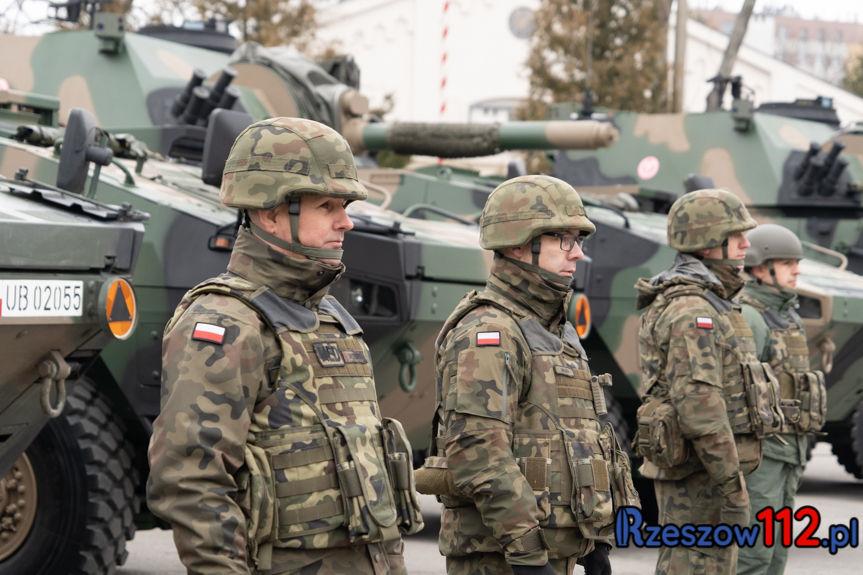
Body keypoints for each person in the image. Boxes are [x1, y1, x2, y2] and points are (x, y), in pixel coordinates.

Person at [147, 117, 422, 575]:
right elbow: (190, 483)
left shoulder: (332, 319)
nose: (346, 221)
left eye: (345, 205)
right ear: (270, 213)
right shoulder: (227, 323)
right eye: (327, 205)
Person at [426, 175, 639, 575]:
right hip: (502, 559)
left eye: (579, 240)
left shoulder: (554, 330)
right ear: (519, 243)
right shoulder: (489, 331)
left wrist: (595, 543)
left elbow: (583, 439)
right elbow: (480, 454)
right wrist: (526, 553)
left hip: (550, 552)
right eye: (565, 240)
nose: (578, 254)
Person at [635, 189, 783, 575]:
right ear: (708, 242)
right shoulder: (692, 310)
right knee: (695, 565)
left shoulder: (712, 301)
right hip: (699, 474)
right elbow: (700, 407)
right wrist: (731, 485)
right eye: (737, 236)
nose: (746, 244)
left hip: (707, 471)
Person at [737, 224, 826, 575]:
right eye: (787, 263)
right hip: (763, 455)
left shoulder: (787, 316)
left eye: (796, 262)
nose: (796, 270)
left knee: (776, 554)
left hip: (789, 451)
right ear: (760, 268)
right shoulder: (750, 316)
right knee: (754, 555)